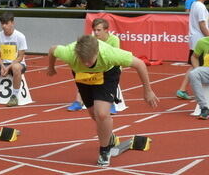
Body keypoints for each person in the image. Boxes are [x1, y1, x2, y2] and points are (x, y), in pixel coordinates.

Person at [48, 35, 158, 167]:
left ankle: (104, 150)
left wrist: (148, 91)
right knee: (94, 114)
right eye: (83, 60)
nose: (87, 64)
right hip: (83, 78)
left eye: (89, 60)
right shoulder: (68, 53)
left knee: (102, 114)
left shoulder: (109, 54)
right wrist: (51, 67)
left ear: (96, 52)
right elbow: (52, 50)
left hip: (107, 74)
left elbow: (140, 64)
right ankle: (109, 137)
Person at [68, 18, 122, 112]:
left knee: (108, 77)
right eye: (94, 30)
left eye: (99, 30)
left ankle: (111, 102)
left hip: (110, 67)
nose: (96, 33)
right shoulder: (91, 39)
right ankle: (78, 102)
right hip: (94, 65)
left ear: (106, 30)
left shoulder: (114, 40)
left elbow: (115, 57)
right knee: (82, 74)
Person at [177, 0, 209, 99]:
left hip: (196, 40)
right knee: (199, 67)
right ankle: (196, 90)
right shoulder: (200, 6)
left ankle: (182, 89)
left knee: (194, 66)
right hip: (200, 40)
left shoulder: (195, 4)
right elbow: (202, 25)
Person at [188, 35, 209, 119]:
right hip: (207, 71)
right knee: (193, 73)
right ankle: (204, 108)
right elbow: (194, 56)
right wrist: (197, 69)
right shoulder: (202, 42)